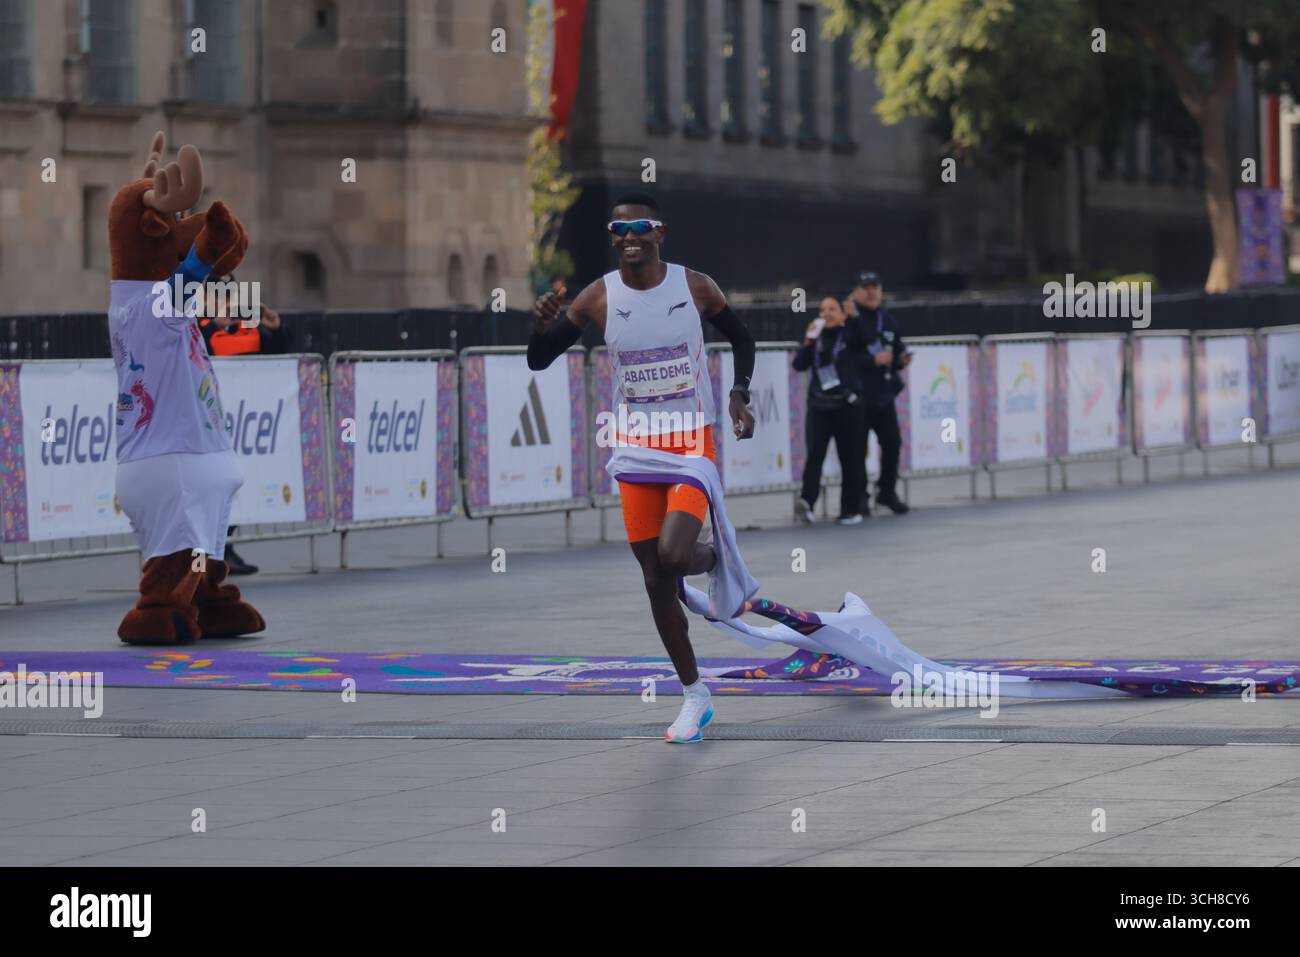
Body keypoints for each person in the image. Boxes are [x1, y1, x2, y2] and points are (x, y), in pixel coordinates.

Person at [528, 191, 756, 743]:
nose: (631, 238)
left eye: (641, 228)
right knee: (656, 578)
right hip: (634, 446)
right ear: (612, 238)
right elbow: (539, 359)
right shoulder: (597, 298)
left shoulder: (695, 286)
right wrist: (541, 324)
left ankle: (715, 556)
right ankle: (694, 695)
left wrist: (738, 394)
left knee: (676, 555)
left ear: (660, 232)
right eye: (620, 230)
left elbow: (743, 338)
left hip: (689, 444)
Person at [198, 278, 292, 575]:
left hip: (245, 425)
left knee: (234, 488)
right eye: (218, 295)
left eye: (231, 294)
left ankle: (225, 550)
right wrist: (214, 325)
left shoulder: (248, 327)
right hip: (207, 425)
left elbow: (278, 354)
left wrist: (276, 328)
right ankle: (202, 559)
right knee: (206, 493)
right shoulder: (194, 326)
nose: (227, 301)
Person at [792, 296, 868, 525]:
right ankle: (807, 503)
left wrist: (854, 318)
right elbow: (799, 365)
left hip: (846, 406)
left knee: (850, 458)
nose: (827, 313)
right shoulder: (817, 338)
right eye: (823, 309)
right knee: (815, 455)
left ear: (842, 314)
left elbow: (865, 341)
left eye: (832, 309)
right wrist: (808, 340)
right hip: (819, 405)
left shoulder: (850, 335)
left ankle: (850, 510)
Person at [847, 272, 912, 514]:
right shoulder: (849, 319)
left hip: (884, 395)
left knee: (893, 442)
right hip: (859, 395)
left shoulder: (888, 320)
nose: (872, 292)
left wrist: (900, 360)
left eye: (875, 287)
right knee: (857, 449)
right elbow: (844, 356)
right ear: (856, 291)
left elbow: (896, 350)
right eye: (866, 288)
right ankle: (860, 496)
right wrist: (871, 360)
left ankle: (886, 491)